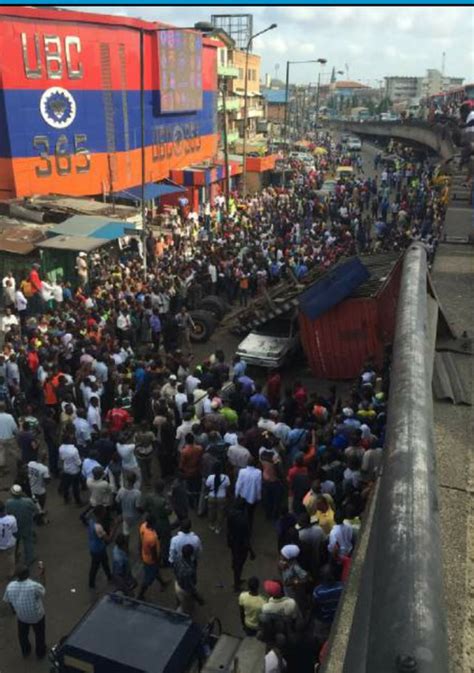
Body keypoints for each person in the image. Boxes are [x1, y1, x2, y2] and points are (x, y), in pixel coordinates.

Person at [3, 564, 46, 659]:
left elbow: (8, 600)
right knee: (39, 634)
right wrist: (42, 575)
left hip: (21, 616)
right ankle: (40, 652)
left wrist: (15, 610)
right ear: (28, 573)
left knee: (22, 636)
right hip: (37, 616)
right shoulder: (34, 586)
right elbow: (43, 591)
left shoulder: (10, 586)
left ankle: (26, 651)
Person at [137, 514, 167, 600]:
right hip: (151, 560)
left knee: (155, 572)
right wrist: (157, 561)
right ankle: (140, 595)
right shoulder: (152, 537)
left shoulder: (143, 526)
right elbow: (154, 553)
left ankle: (163, 583)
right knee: (148, 579)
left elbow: (140, 541)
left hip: (145, 555)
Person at [227, 498, 254, 592]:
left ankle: (237, 581)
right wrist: (251, 551)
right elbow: (246, 538)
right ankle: (236, 585)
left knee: (236, 563)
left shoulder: (231, 514)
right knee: (239, 564)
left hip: (233, 543)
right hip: (241, 545)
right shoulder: (243, 520)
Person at [6, 485, 37, 566]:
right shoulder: (28, 501)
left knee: (15, 542)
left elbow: (7, 513)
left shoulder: (8, 503)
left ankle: (15, 557)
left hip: (14, 526)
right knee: (28, 542)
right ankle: (29, 559)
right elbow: (35, 510)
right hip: (27, 525)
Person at [87, 506, 114, 589]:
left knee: (104, 563)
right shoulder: (98, 527)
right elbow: (108, 540)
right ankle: (91, 583)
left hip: (93, 547)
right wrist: (115, 527)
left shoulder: (91, 521)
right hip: (98, 549)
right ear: (100, 514)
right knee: (96, 566)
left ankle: (109, 577)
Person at [173, 543, 204, 616]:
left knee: (179, 599)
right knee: (187, 606)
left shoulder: (177, 558)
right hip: (184, 589)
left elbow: (174, 569)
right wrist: (199, 598)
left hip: (177, 582)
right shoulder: (188, 570)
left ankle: (178, 606)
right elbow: (190, 587)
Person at [235, 456, 262, 532]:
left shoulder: (242, 471)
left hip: (242, 496)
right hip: (252, 497)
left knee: (241, 513)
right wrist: (259, 497)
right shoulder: (258, 472)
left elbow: (239, 484)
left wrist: (236, 494)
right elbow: (258, 487)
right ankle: (249, 528)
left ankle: (241, 527)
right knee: (250, 514)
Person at [205, 462, 230, 534]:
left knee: (211, 511)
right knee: (220, 513)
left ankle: (211, 524)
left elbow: (207, 486)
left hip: (211, 496)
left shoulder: (210, 477)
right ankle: (218, 527)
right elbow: (227, 488)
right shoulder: (226, 477)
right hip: (222, 497)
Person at [59, 434, 82, 506]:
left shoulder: (61, 448)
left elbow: (62, 458)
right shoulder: (74, 450)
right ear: (69, 440)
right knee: (75, 487)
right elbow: (78, 462)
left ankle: (66, 498)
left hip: (66, 468)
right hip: (74, 470)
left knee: (67, 485)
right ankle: (78, 501)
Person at [0, 500, 17, 583]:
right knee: (11, 556)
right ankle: (11, 573)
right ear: (4, 509)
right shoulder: (12, 518)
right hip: (9, 542)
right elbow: (14, 531)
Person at [0, 401, 18, 475]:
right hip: (10, 437)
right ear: (5, 408)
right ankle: (20, 465)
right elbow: (14, 428)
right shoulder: (9, 417)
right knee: (14, 451)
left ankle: (1, 470)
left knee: (1, 453)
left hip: (0, 439)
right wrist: (17, 433)